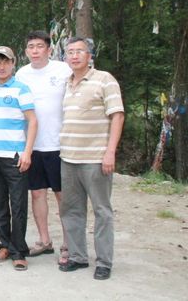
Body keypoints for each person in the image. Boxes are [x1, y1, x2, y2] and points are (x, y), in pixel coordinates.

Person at [58, 37, 124, 280]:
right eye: (70, 52)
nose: (74, 56)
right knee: (71, 210)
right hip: (68, 157)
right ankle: (77, 256)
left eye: (80, 51)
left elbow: (117, 116)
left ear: (90, 56)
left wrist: (110, 152)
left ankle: (104, 262)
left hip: (95, 158)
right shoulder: (67, 83)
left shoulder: (104, 80)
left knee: (101, 211)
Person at [15, 30, 72, 264]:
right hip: (32, 145)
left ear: (49, 49)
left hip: (59, 144)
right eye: (31, 47)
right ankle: (44, 240)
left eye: (40, 46)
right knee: (37, 193)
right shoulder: (21, 74)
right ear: (26, 51)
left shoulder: (63, 70)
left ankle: (69, 244)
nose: (35, 51)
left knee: (63, 196)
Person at [0, 46, 37, 271]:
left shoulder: (21, 89)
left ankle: (19, 251)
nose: (2, 66)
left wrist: (27, 152)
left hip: (14, 156)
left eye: (6, 61)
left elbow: (32, 121)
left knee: (18, 205)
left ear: (13, 63)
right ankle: (5, 245)